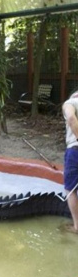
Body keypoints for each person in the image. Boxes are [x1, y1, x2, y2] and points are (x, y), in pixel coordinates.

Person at [62, 90, 78, 233]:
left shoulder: (70, 103)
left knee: (70, 188)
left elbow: (71, 119)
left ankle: (77, 226)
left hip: (75, 150)